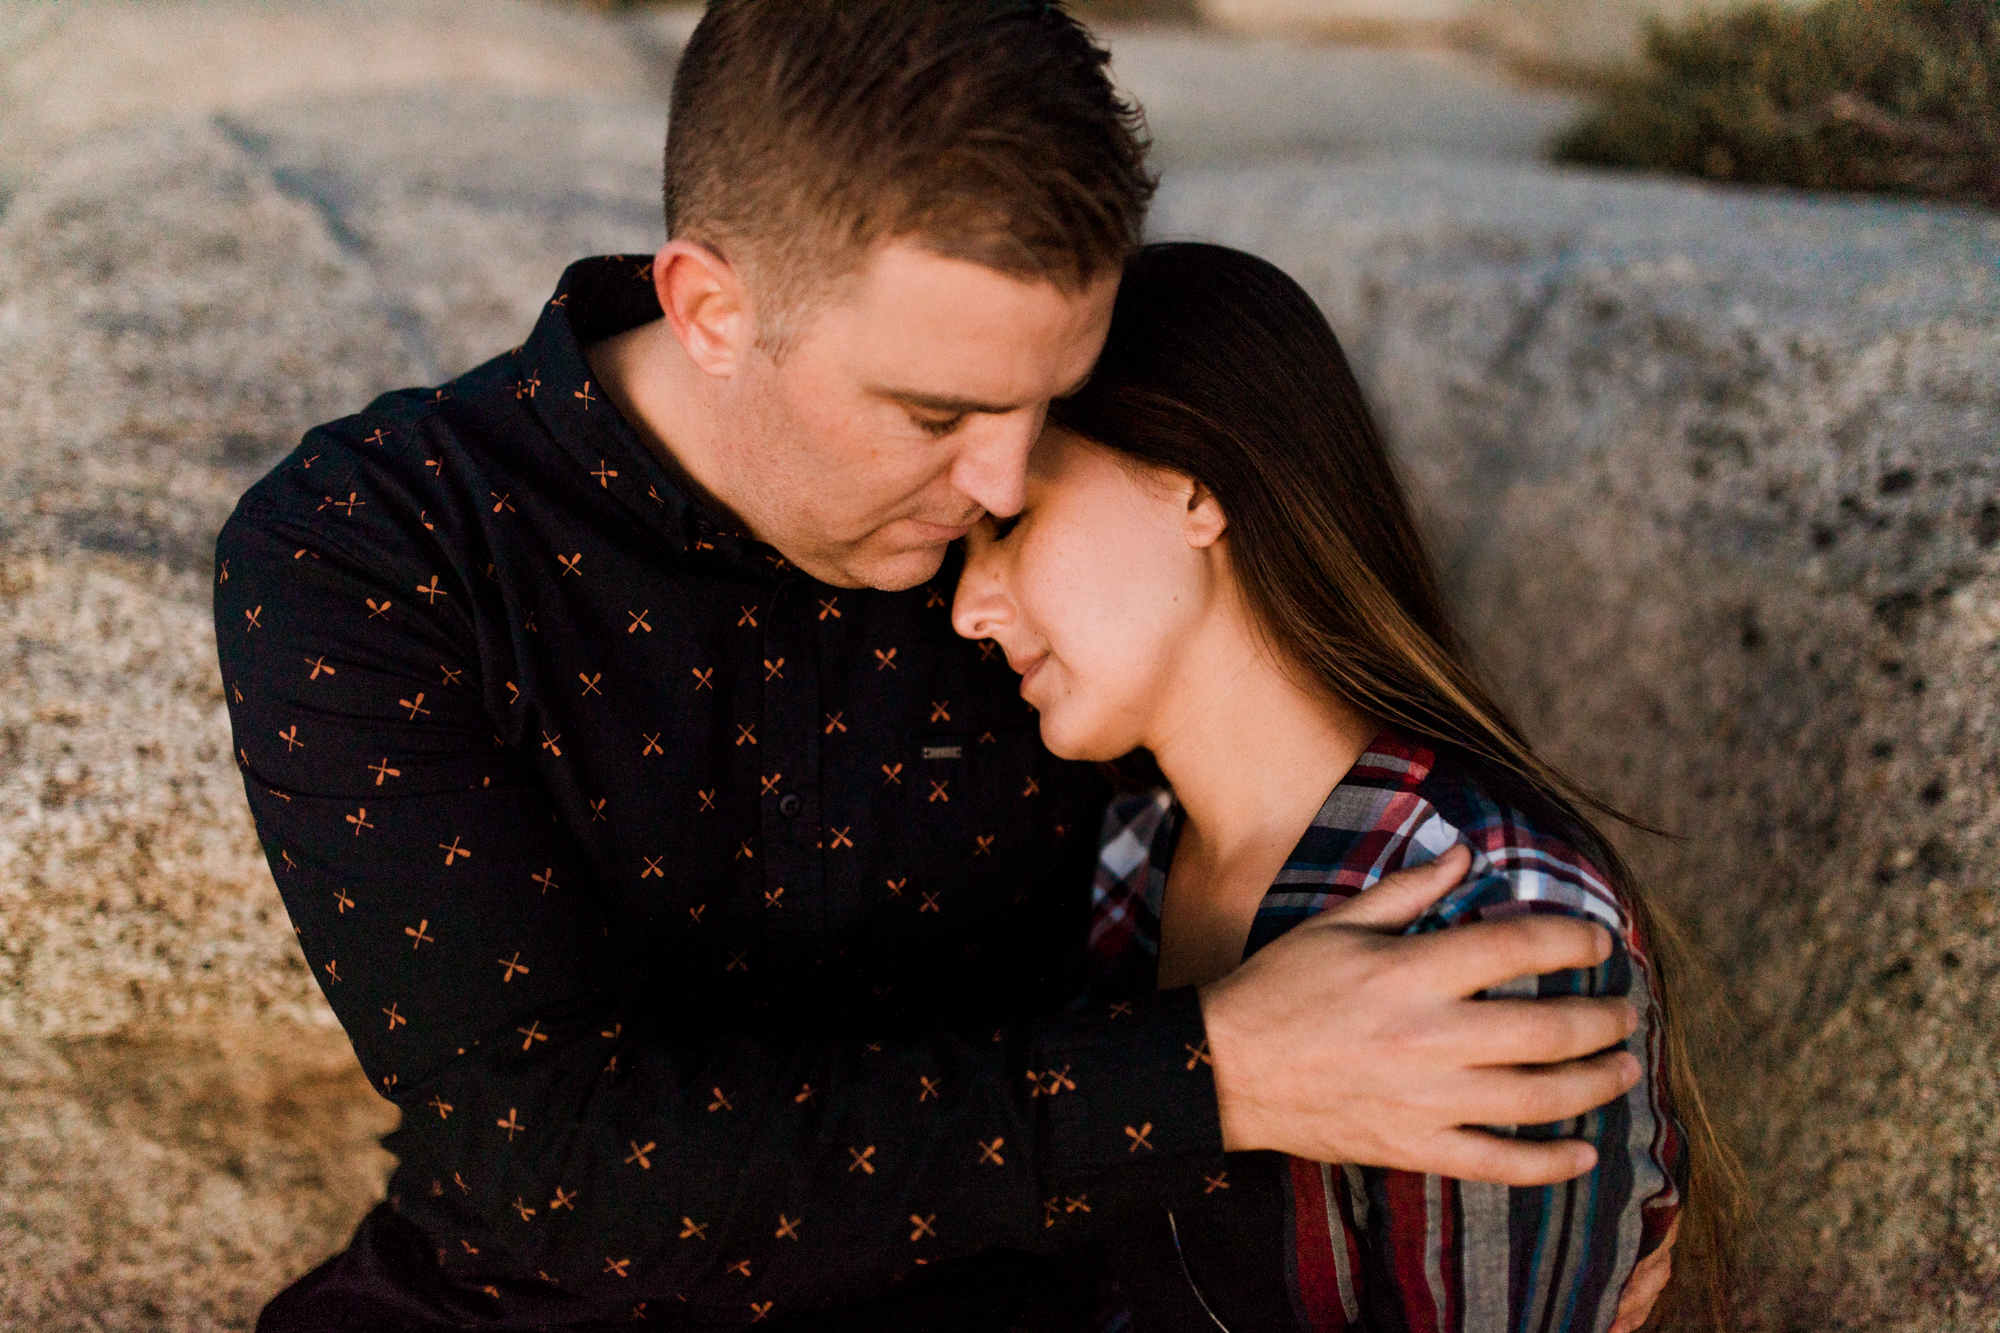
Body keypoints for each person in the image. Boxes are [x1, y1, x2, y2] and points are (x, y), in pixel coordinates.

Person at [213, 4, 1656, 1329]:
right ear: (711, 308)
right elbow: (552, 1165)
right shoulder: (370, 546)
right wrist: (1217, 1075)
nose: (1004, 478)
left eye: (1055, 401)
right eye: (936, 413)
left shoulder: (1059, 569)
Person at [952, 242, 1731, 1332]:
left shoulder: (1493, 915)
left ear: (1190, 488)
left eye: (1011, 523)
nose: (968, 607)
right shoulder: (1125, 850)